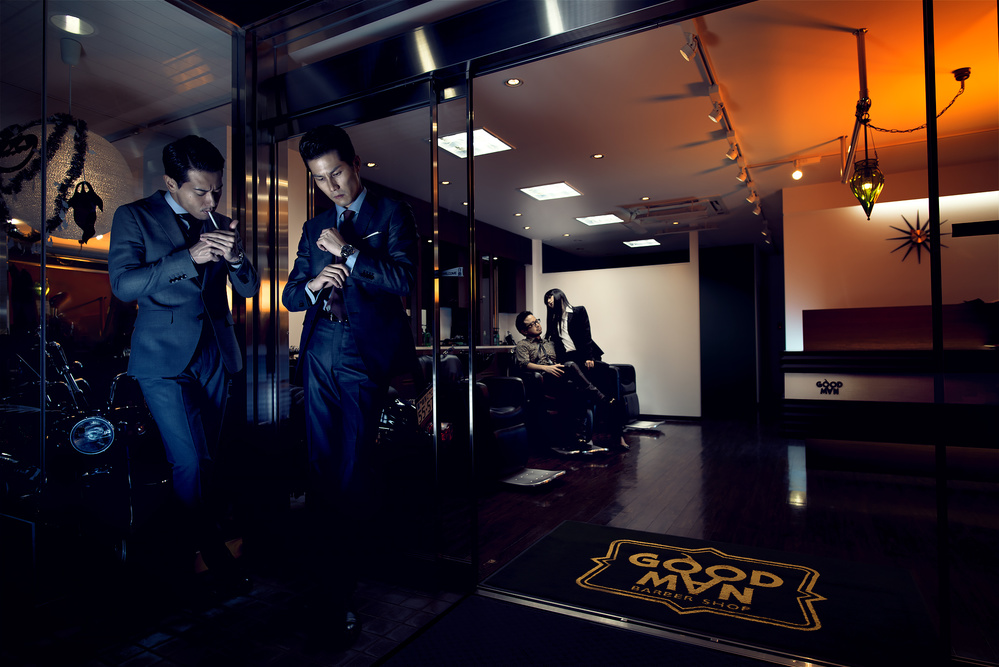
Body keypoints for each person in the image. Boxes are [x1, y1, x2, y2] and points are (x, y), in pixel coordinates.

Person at [282, 124, 418, 648]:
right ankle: (324, 580)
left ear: (355, 163)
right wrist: (315, 284)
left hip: (364, 353)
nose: (331, 187)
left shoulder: (391, 213)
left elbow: (404, 281)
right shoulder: (313, 224)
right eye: (319, 179)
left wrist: (351, 253)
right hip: (319, 347)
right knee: (319, 463)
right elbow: (291, 295)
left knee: (352, 464)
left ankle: (342, 587)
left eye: (336, 173)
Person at [108, 134, 259, 598]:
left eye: (217, 190)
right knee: (190, 460)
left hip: (216, 352)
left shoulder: (221, 221)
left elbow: (250, 287)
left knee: (206, 458)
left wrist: (236, 257)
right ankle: (208, 553)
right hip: (162, 358)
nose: (212, 201)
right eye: (201, 191)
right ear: (171, 183)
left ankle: (180, 553)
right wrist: (188, 258)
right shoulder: (134, 215)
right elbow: (123, 285)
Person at [514, 310, 613, 449]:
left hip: (559, 377)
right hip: (543, 379)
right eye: (531, 324)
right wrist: (546, 368)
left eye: (537, 321)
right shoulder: (522, 345)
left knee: (578, 388)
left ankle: (579, 439)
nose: (537, 325)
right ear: (524, 331)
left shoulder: (550, 342)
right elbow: (523, 364)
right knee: (571, 367)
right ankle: (600, 397)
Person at [544, 288, 603, 369]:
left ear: (559, 295)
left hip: (586, 355)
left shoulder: (579, 311)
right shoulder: (554, 321)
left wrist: (589, 357)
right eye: (546, 300)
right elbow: (556, 343)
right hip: (569, 357)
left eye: (549, 297)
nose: (548, 301)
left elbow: (586, 335)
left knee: (607, 372)